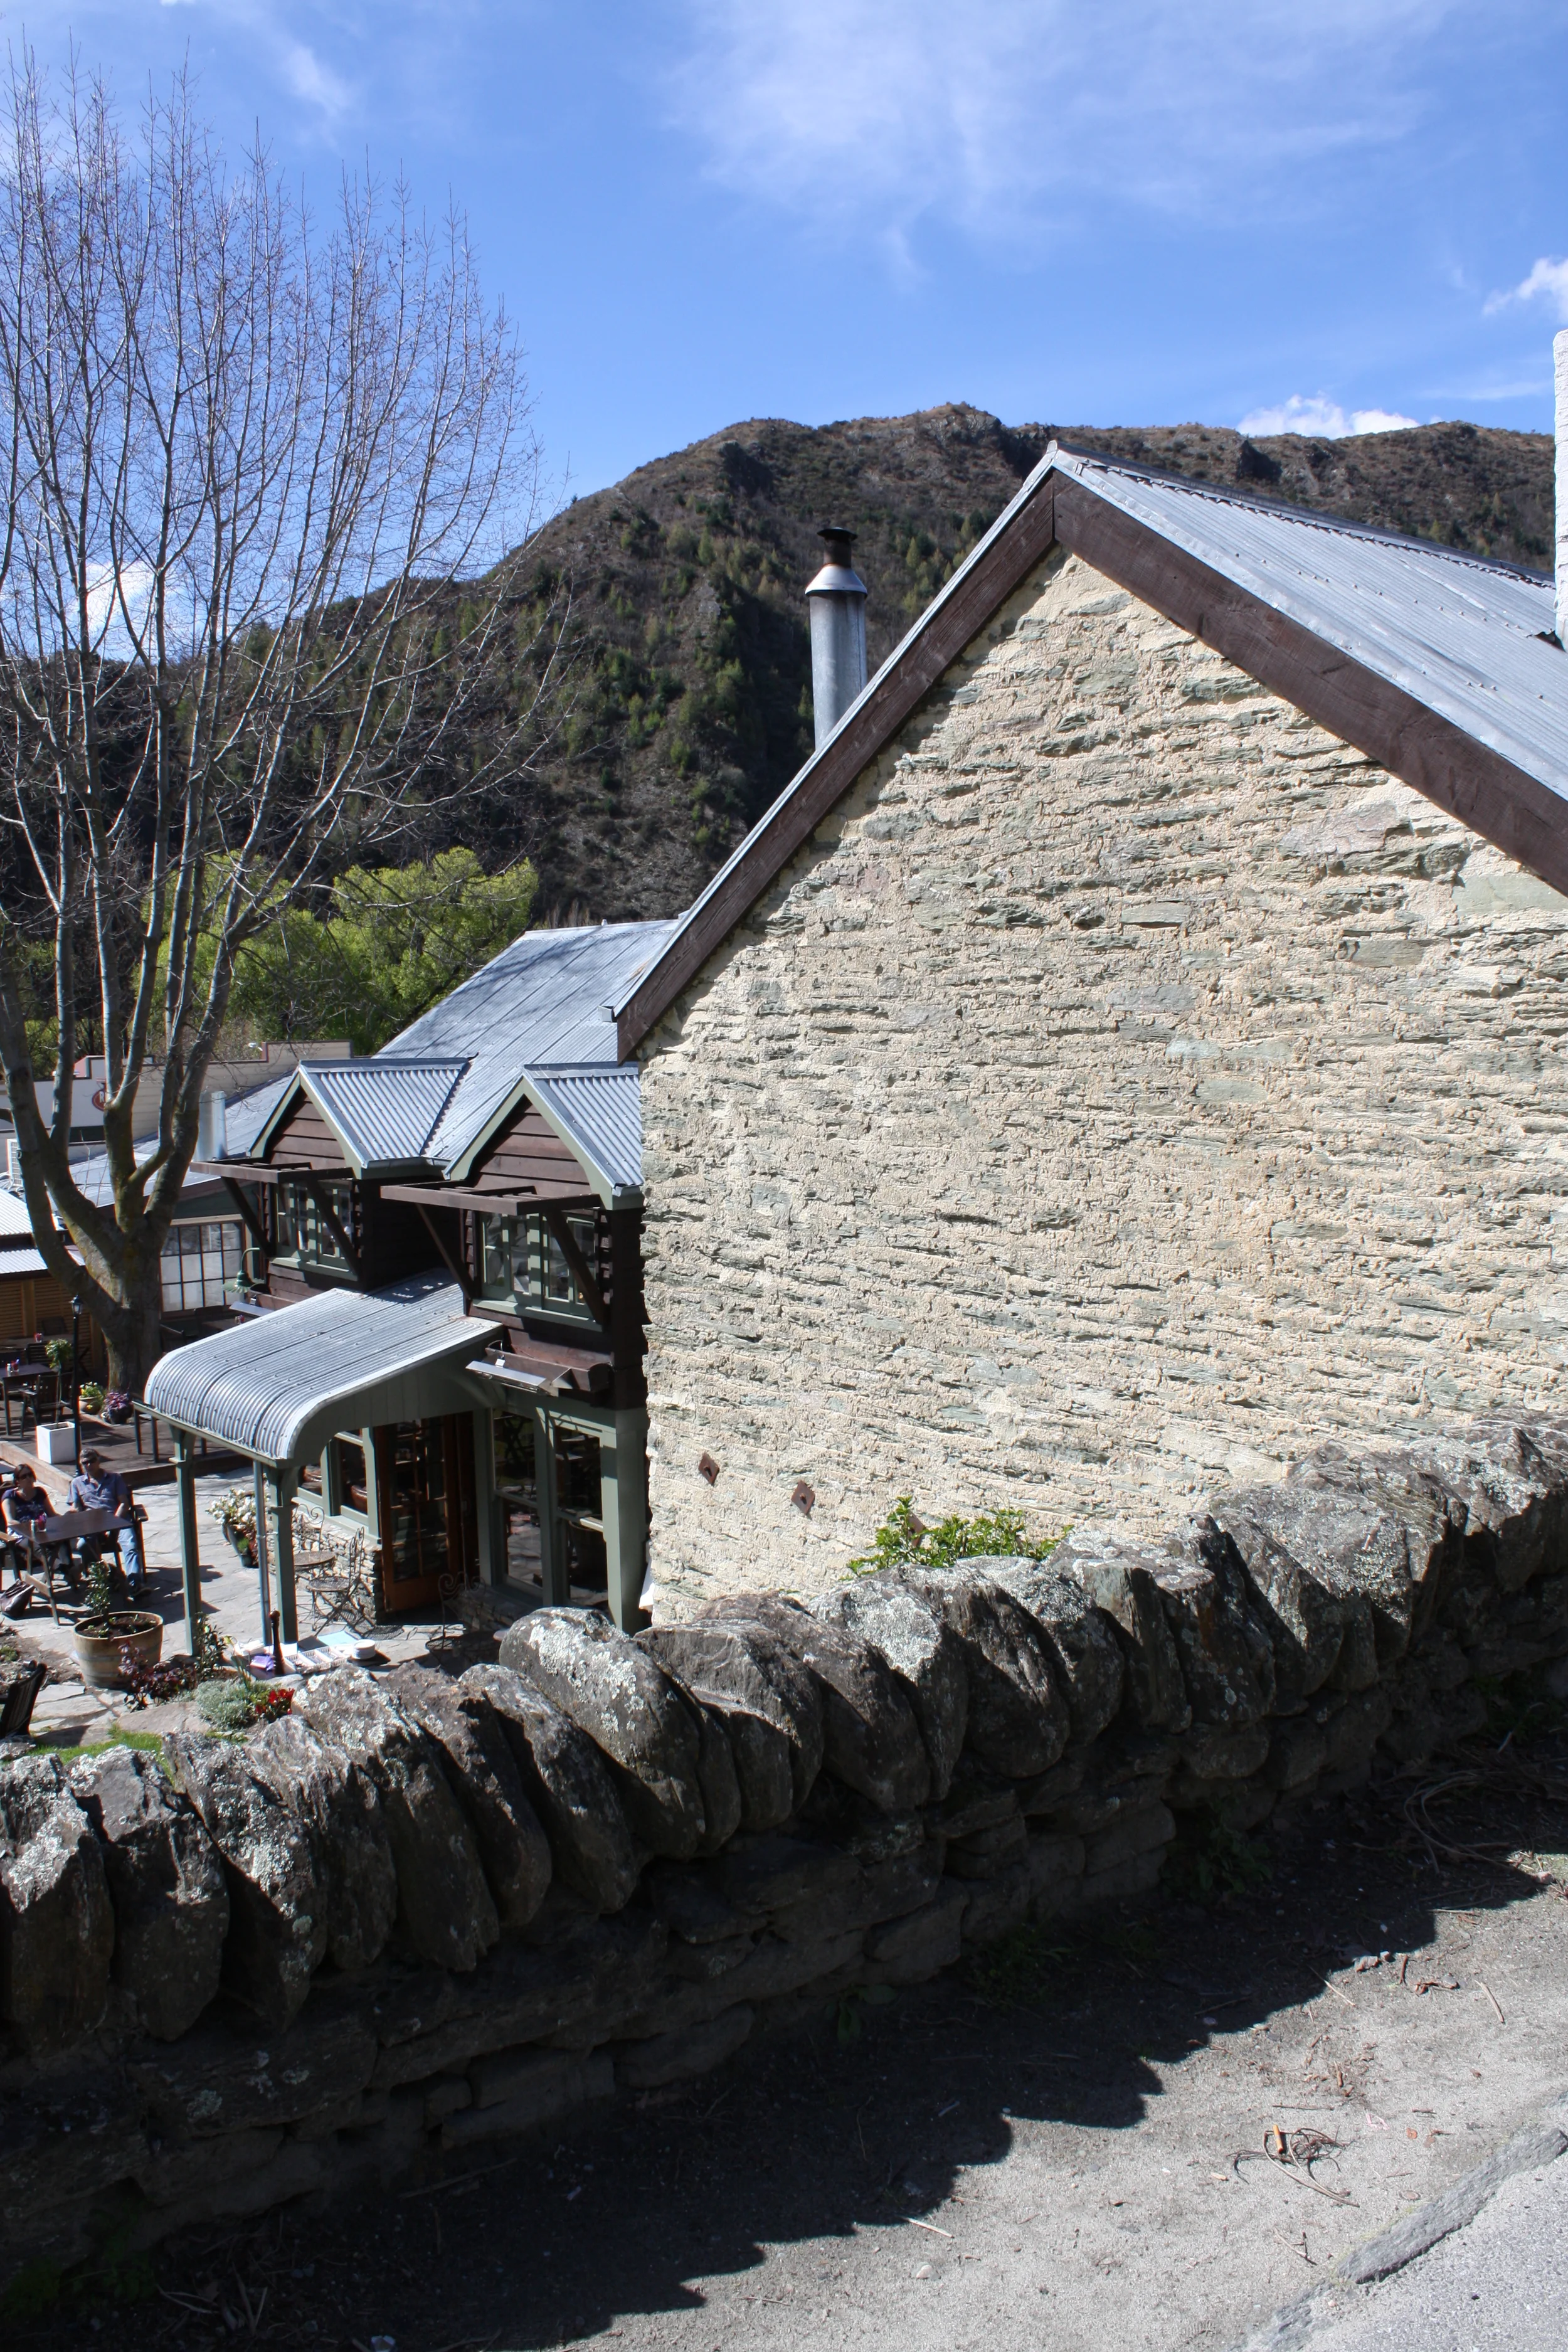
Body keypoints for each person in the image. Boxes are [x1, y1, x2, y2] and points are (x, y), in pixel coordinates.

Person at [66, 1447, 147, 1599]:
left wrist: (113, 1524)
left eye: (92, 1461)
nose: (89, 1465)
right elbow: (76, 1508)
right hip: (92, 1525)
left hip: (118, 1521)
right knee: (83, 1545)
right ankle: (107, 1576)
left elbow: (124, 1504)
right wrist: (73, 1516)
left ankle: (135, 1583)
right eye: (85, 1463)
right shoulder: (77, 1483)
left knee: (130, 1544)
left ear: (99, 1461)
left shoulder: (115, 1478)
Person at [0, 1461, 68, 1591]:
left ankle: (68, 1571)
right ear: (17, 1481)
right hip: (20, 1535)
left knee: (63, 1539)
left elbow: (52, 1514)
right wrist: (30, 1526)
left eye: (30, 1475)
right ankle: (66, 1570)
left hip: (42, 1531)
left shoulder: (40, 1493)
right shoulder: (10, 1496)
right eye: (24, 1476)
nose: (28, 1478)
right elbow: (10, 1521)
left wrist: (65, 1520)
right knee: (37, 1545)